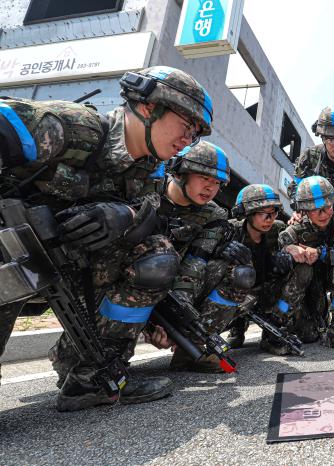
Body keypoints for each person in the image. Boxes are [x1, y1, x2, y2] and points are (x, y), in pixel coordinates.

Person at [0, 65, 212, 411]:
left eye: (196, 135)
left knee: (156, 256)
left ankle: (92, 377)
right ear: (148, 108)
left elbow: (148, 215)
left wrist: (123, 215)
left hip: (62, 266)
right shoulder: (73, 127)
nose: (188, 140)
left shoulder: (149, 170)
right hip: (10, 258)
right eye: (187, 126)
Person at [147, 141, 249, 373]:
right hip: (127, 281)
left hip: (171, 287)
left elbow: (195, 264)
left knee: (237, 270)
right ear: (181, 172)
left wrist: (176, 318)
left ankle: (191, 350)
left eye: (217, 183)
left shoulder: (213, 214)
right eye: (204, 178)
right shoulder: (145, 193)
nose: (210, 188)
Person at [201, 184, 300, 356]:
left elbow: (292, 245)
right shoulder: (230, 230)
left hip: (263, 292)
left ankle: (273, 328)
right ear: (247, 213)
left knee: (295, 269)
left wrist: (286, 256)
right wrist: (220, 249)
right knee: (235, 271)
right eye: (264, 214)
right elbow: (202, 256)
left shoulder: (276, 230)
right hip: (235, 296)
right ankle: (234, 328)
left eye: (273, 213)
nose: (270, 219)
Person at [278, 176, 334, 353]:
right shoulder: (297, 228)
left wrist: (333, 240)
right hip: (309, 287)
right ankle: (281, 322)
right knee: (308, 335)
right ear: (304, 210)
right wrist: (289, 248)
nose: (324, 214)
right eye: (315, 209)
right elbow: (280, 243)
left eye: (327, 207)